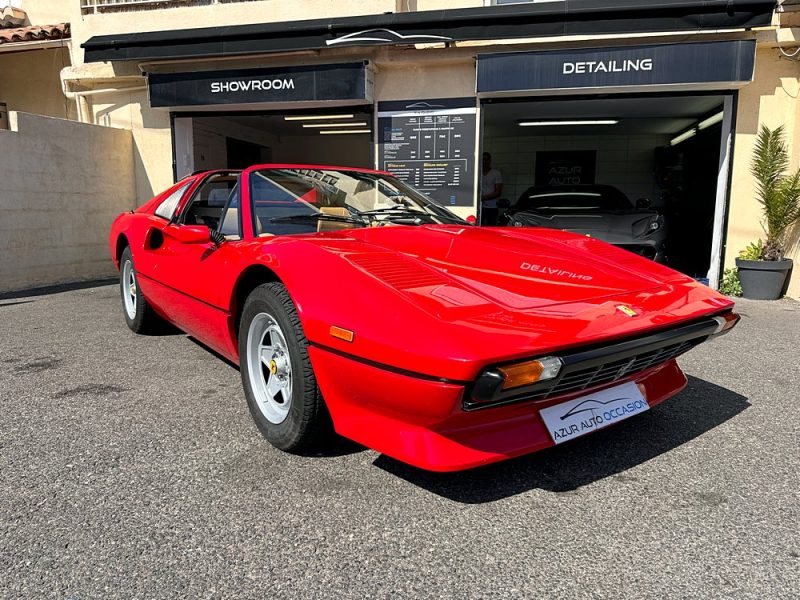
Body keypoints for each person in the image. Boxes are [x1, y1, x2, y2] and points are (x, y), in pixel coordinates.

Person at [480, 152, 503, 226]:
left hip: (492, 207)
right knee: (479, 227)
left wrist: (483, 198)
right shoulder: (477, 173)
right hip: (479, 207)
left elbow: (498, 192)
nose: (484, 161)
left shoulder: (496, 173)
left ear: (490, 161)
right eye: (483, 159)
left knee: (491, 226)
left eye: (486, 159)